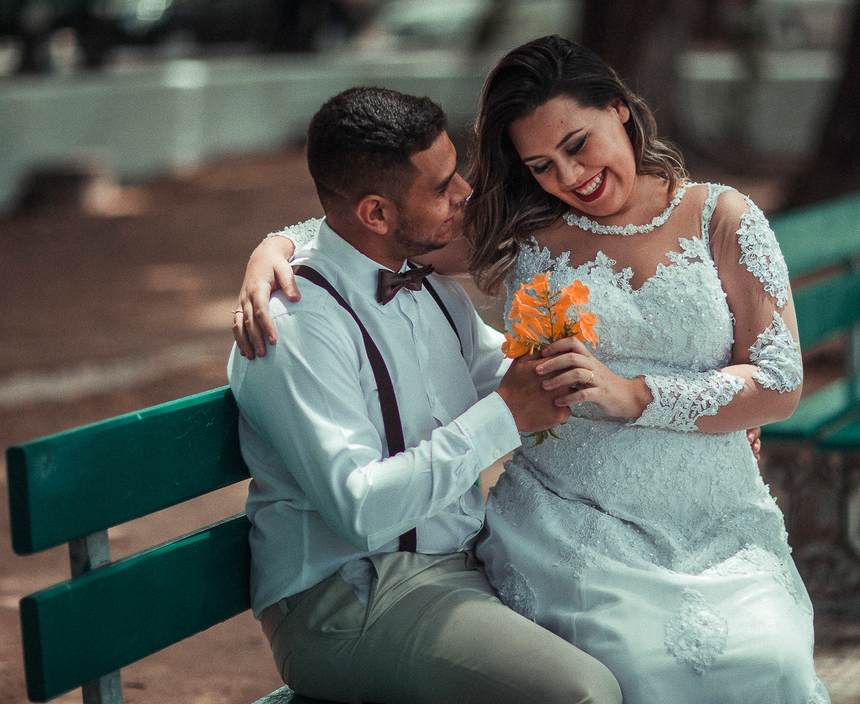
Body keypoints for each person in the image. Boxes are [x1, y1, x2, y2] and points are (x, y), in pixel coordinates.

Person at [236, 36, 824, 702]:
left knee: (769, 661)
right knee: (630, 662)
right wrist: (276, 247)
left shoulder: (724, 217)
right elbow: (372, 227)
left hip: (711, 514)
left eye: (578, 145)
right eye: (541, 164)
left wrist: (651, 399)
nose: (571, 178)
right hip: (568, 522)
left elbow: (778, 381)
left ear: (619, 108)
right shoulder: (527, 228)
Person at [227, 85, 622, 704]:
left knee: (637, 636)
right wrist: (506, 415)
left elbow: (527, 377)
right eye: (441, 186)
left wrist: (679, 401)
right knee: (583, 693)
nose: (464, 191)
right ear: (378, 215)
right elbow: (360, 512)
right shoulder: (297, 328)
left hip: (461, 561)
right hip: (352, 599)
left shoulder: (432, 287)